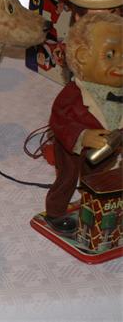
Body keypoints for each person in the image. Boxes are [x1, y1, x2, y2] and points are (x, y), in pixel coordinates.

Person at [44, 13, 123, 234]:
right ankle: (55, 212)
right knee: (67, 178)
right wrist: (83, 135)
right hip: (73, 148)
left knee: (99, 178)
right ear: (82, 56)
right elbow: (59, 121)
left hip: (108, 146)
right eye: (110, 54)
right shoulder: (73, 94)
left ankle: (96, 205)